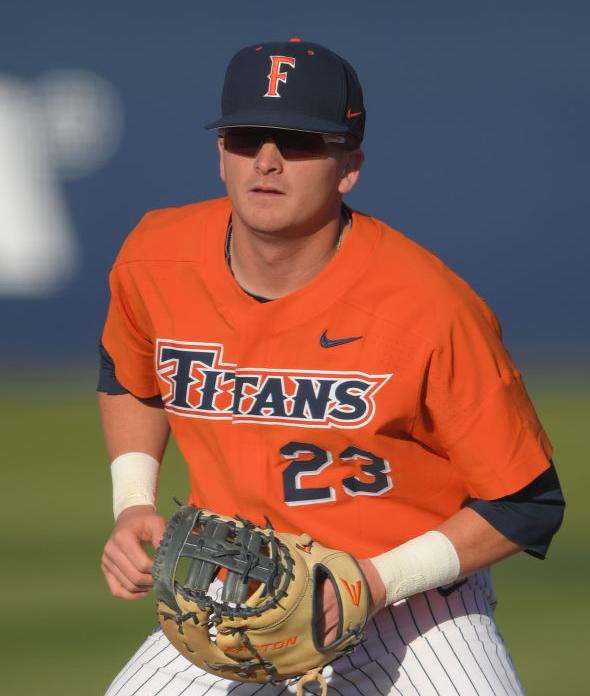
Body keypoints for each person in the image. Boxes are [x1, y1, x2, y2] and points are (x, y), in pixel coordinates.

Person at [98, 38, 564, 696]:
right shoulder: (156, 256)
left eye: (299, 141)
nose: (267, 160)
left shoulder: (428, 306)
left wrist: (372, 584)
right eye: (247, 136)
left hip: (415, 609)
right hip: (234, 587)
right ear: (220, 153)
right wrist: (132, 503)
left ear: (349, 167)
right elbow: (128, 373)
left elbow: (526, 502)